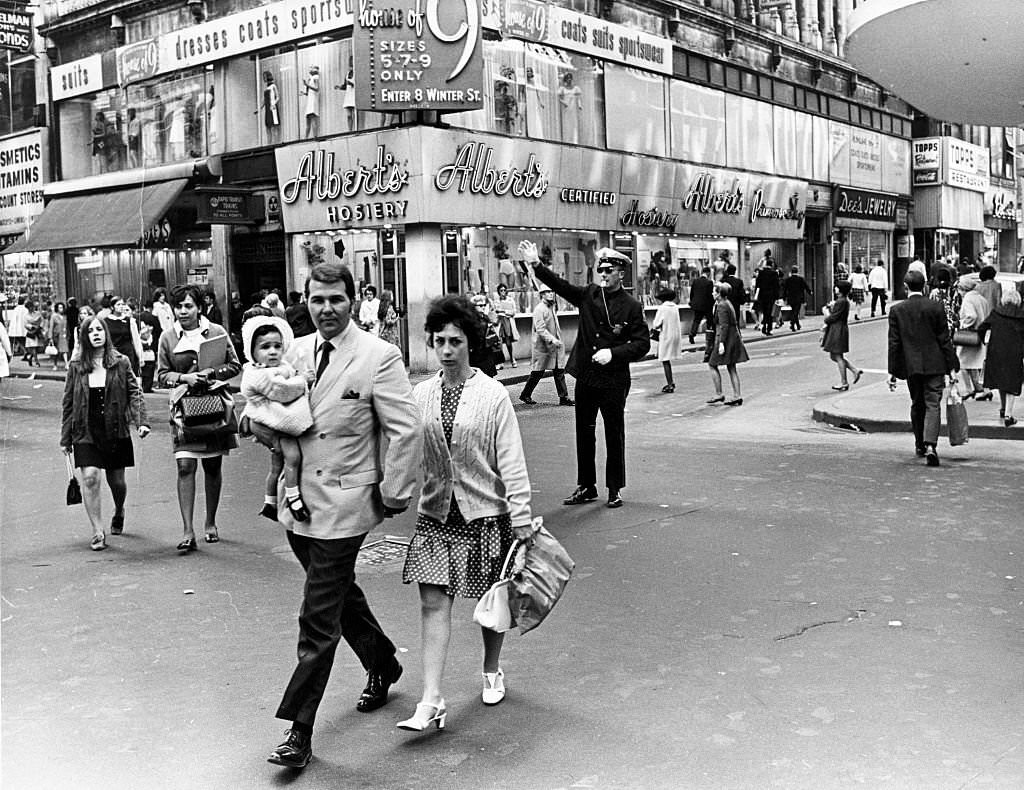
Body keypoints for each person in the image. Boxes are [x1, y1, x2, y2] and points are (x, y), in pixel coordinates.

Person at [266, 261, 421, 771]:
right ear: (305, 302)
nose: (326, 309)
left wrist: (395, 494)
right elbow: (275, 412)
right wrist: (258, 421)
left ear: (352, 301)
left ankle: (299, 731)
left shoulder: (380, 356)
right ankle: (384, 662)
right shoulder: (294, 351)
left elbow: (404, 430)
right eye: (317, 300)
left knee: (317, 615)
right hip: (298, 503)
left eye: (335, 299)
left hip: (346, 505)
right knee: (338, 597)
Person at [397, 295, 535, 732]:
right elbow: (406, 449)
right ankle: (431, 699)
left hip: (485, 513)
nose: (446, 349)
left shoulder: (492, 395)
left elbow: (510, 458)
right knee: (432, 603)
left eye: (455, 340)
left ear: (470, 342)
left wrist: (521, 512)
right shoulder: (421, 395)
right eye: (439, 341)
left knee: (490, 601)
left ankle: (491, 668)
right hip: (437, 514)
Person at [519, 239, 649, 509]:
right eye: (600, 271)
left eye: (609, 271)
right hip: (587, 376)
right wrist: (535, 265)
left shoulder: (631, 306)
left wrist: (614, 353)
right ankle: (587, 485)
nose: (603, 275)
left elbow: (642, 344)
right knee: (584, 432)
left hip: (614, 379)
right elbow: (560, 286)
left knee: (614, 433)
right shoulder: (589, 295)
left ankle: (614, 488)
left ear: (620, 273)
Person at [156, 284, 241, 552]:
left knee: (213, 467)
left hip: (213, 408)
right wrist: (183, 377)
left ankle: (211, 523)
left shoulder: (216, 332)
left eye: (188, 306)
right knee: (185, 467)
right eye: (178, 306)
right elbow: (160, 375)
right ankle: (187, 530)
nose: (183, 311)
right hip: (183, 410)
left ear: (199, 308)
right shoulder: (168, 338)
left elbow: (235, 365)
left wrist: (212, 375)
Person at [60, 317, 151, 551]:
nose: (96, 333)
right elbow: (68, 402)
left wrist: (141, 421)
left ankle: (119, 509)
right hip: (85, 430)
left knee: (117, 482)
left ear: (106, 334)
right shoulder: (77, 365)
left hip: (115, 429)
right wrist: (65, 438)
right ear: (85, 337)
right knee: (90, 477)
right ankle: (98, 531)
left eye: (100, 329)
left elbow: (135, 392)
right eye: (91, 331)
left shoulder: (121, 362)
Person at [239, 315, 314, 523]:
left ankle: (270, 501)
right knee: (293, 457)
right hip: (278, 423)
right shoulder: (257, 374)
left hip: (276, 419)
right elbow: (281, 391)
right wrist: (303, 380)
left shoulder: (279, 367)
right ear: (252, 351)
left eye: (277, 346)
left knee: (276, 466)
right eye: (265, 347)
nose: (272, 351)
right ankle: (294, 498)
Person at [887, 270, 960, 466]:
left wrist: (892, 372)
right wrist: (952, 368)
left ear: (905, 286)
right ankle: (931, 446)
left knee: (917, 402)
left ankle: (919, 443)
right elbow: (945, 340)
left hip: (912, 366)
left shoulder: (897, 310)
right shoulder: (935, 307)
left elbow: (894, 344)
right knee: (932, 404)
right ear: (925, 286)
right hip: (935, 364)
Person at [519, 285, 573, 406]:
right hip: (543, 347)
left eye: (551, 291)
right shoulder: (539, 309)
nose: (550, 294)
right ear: (542, 294)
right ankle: (525, 394)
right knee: (537, 372)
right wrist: (553, 340)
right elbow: (540, 329)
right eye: (547, 292)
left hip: (553, 346)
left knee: (559, 370)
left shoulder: (551, 307)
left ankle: (563, 397)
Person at [983, 283, 1024, 427]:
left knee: (1001, 380)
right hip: (1015, 352)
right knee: (1012, 383)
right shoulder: (1021, 315)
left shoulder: (996, 313)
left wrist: (982, 339)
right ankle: (1008, 414)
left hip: (996, 351)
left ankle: (1003, 408)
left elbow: (983, 326)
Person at [706, 281, 748, 406]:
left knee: (712, 364)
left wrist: (721, 343)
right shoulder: (727, 303)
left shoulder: (721, 306)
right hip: (733, 337)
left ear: (719, 293)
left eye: (714, 291)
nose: (712, 293)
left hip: (725, 338)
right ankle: (737, 395)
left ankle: (719, 393)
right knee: (731, 367)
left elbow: (723, 325)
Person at [956, 277, 993, 401]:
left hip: (969, 335)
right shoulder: (981, 299)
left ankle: (970, 390)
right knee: (973, 364)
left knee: (962, 362)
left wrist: (963, 325)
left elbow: (971, 315)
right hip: (980, 335)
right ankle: (980, 389)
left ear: (963, 289)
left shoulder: (968, 299)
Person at [821, 281, 863, 391]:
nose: (835, 288)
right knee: (834, 355)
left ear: (840, 290)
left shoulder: (841, 301)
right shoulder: (843, 301)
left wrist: (826, 312)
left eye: (837, 287)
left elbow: (833, 317)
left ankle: (844, 382)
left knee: (837, 356)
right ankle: (854, 370)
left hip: (837, 329)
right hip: (839, 328)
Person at [99, 295, 143, 376]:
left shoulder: (130, 321)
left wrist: (140, 357)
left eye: (122, 304)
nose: (121, 307)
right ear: (112, 307)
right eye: (118, 305)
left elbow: (136, 340)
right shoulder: (106, 321)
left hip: (128, 353)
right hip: (113, 354)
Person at [652, 287, 681, 393]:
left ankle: (670, 384)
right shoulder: (675, 307)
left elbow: (656, 324)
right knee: (666, 359)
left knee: (665, 360)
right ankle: (670, 382)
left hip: (666, 335)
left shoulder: (662, 308)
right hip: (675, 335)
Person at [470, 293, 501, 376]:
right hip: (477, 352)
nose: (483, 307)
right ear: (474, 307)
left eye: (484, 305)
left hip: (487, 350)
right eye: (480, 305)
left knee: (489, 377)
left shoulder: (485, 317)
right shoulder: (471, 319)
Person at [137, 300, 162, 392]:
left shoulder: (138, 317)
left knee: (142, 367)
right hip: (151, 345)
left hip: (140, 344)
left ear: (144, 307)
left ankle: (142, 386)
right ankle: (148, 386)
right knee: (150, 367)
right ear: (152, 308)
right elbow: (159, 331)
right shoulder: (154, 318)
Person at [929, 267, 961, 336]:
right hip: (952, 324)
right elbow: (958, 308)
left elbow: (930, 309)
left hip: (938, 324)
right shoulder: (954, 292)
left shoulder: (934, 292)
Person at [492, 283, 519, 367]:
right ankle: (500, 362)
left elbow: (513, 312)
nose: (503, 292)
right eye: (501, 290)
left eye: (504, 290)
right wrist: (502, 311)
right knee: (499, 342)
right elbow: (495, 311)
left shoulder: (510, 300)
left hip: (507, 321)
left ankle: (512, 358)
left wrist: (503, 311)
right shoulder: (496, 301)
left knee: (508, 342)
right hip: (499, 322)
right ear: (498, 292)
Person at [753, 257, 780, 335]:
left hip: (762, 295)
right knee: (770, 312)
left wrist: (756, 294)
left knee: (764, 311)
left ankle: (764, 326)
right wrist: (777, 297)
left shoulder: (761, 273)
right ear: (771, 265)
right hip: (771, 295)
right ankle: (769, 328)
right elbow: (776, 286)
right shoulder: (774, 273)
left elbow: (757, 284)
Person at [688, 266, 714, 344]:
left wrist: (692, 302)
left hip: (697, 304)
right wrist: (713, 303)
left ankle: (692, 334)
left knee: (696, 320)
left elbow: (692, 293)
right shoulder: (709, 282)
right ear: (708, 273)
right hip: (706, 305)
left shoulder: (695, 281)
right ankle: (710, 337)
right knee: (710, 321)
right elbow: (709, 295)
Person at [782, 265, 811, 331]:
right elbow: (805, 286)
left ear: (791, 272)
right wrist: (810, 292)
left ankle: (798, 325)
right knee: (796, 312)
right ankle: (792, 323)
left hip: (791, 298)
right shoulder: (800, 279)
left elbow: (785, 289)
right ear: (797, 271)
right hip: (798, 298)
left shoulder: (788, 280)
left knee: (793, 311)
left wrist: (784, 297)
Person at [723, 263, 748, 328]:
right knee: (735, 320)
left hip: (725, 303)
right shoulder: (739, 281)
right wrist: (742, 301)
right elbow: (741, 293)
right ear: (735, 271)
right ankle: (736, 334)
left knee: (726, 320)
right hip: (735, 304)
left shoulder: (724, 281)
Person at [48, 302, 69, 370]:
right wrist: (50, 337)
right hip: (56, 335)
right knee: (56, 351)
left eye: (62, 307)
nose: (61, 309)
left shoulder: (65, 316)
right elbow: (51, 327)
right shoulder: (54, 316)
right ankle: (55, 364)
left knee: (64, 350)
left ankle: (66, 364)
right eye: (59, 307)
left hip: (64, 335)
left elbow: (67, 326)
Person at [23, 301, 43, 367]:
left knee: (37, 348)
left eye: (32, 307)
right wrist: (33, 326)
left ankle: (31, 358)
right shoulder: (25, 316)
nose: (31, 308)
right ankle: (37, 361)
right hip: (31, 332)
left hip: (37, 332)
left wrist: (39, 326)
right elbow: (25, 324)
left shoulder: (37, 313)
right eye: (30, 307)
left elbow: (41, 320)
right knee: (33, 347)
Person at [302, 65, 320, 138]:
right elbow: (310, 91)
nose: (310, 69)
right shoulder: (311, 78)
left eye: (312, 68)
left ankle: (315, 136)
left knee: (313, 119)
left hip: (313, 101)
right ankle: (306, 138)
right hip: (310, 100)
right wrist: (304, 93)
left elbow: (317, 88)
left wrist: (307, 85)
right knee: (308, 119)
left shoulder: (316, 77)